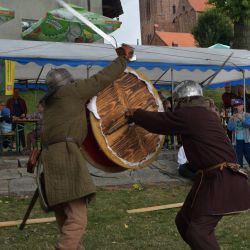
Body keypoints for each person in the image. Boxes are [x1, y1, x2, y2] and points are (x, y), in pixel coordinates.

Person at [126, 80, 250, 249]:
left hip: (222, 179)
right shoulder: (202, 114)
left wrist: (136, 114)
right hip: (208, 178)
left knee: (198, 231)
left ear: (184, 100)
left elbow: (161, 122)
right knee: (184, 221)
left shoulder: (193, 114)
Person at [40, 44, 134, 250]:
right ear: (68, 83)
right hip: (66, 159)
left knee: (65, 219)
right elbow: (100, 80)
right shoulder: (71, 92)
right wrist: (122, 60)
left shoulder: (50, 104)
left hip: (49, 161)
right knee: (77, 219)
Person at [227, 99, 250, 168]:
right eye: (236, 106)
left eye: (239, 105)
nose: (237, 107)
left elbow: (248, 125)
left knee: (249, 157)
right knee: (238, 161)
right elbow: (230, 128)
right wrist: (233, 120)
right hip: (236, 142)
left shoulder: (247, 115)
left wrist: (241, 119)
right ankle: (241, 176)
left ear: (243, 106)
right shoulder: (232, 117)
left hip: (247, 141)